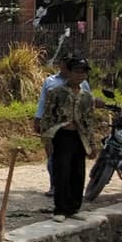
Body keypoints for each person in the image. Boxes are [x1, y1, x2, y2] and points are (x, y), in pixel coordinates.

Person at [40, 58, 96, 222]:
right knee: (62, 171)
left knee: (77, 172)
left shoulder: (87, 96)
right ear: (69, 72)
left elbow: (89, 120)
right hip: (61, 135)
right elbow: (47, 116)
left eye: (84, 72)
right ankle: (60, 209)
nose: (81, 75)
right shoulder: (56, 92)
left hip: (79, 136)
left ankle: (73, 207)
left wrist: (92, 143)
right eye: (78, 71)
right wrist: (47, 140)